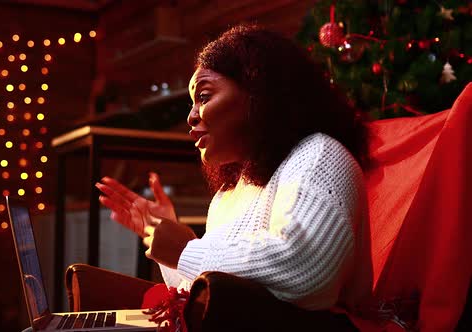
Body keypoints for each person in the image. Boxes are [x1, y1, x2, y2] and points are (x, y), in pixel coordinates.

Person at [96, 24, 371, 328]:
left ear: (259, 92)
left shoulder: (320, 155)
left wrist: (185, 249)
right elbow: (211, 295)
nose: (191, 116)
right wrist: (168, 242)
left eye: (204, 96)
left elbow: (307, 272)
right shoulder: (228, 194)